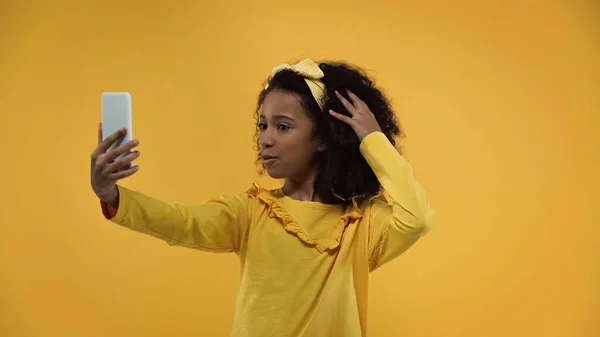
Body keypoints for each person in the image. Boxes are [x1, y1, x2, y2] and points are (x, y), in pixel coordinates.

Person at [90, 58, 434, 337]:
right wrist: (112, 194)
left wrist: (372, 140)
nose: (265, 139)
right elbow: (182, 221)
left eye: (282, 126)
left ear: (324, 138)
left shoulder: (362, 225)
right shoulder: (251, 212)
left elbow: (417, 218)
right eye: (262, 125)